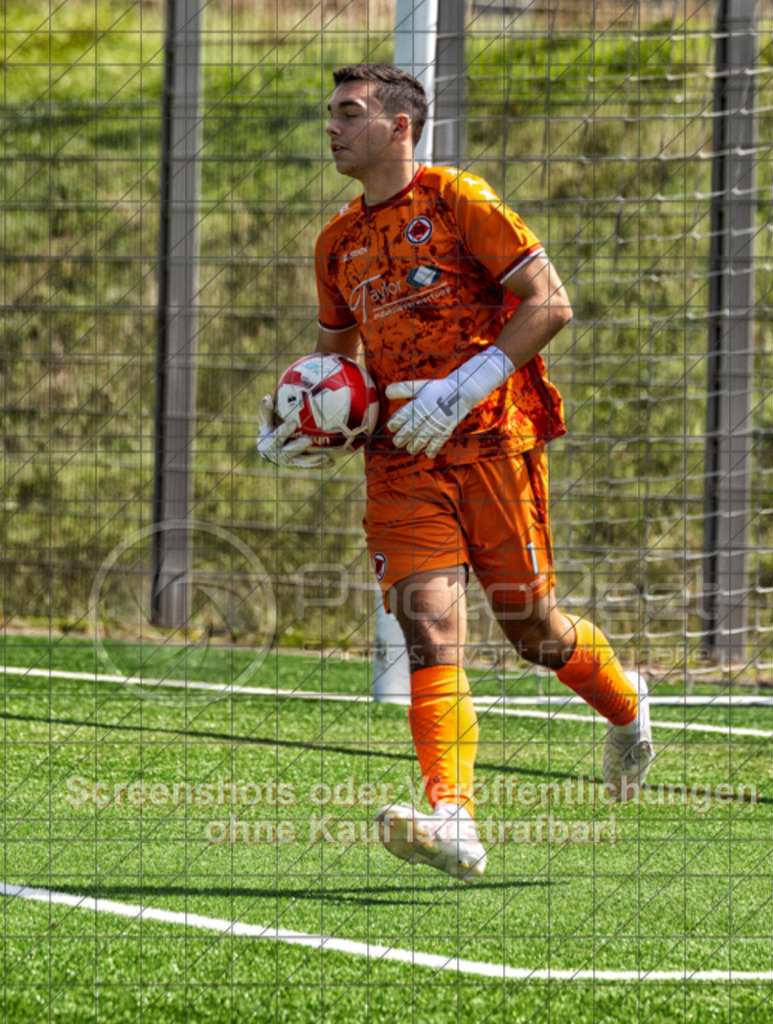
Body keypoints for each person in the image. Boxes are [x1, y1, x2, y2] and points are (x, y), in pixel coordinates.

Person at [258, 63, 654, 884]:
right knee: (428, 631)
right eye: (328, 113)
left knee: (534, 633)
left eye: (348, 113)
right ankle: (454, 818)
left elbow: (548, 301)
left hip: (492, 443)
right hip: (400, 460)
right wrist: (302, 419)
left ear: (399, 126)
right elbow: (338, 366)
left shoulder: (456, 201)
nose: (330, 127)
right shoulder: (335, 242)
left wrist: (465, 382)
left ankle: (626, 705)